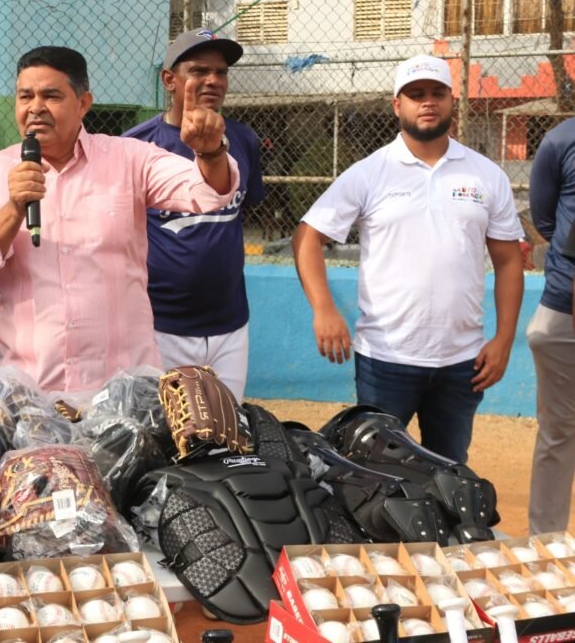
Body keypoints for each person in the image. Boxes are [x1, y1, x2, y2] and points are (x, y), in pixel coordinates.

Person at [0, 45, 239, 392]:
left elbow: (207, 193)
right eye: (25, 96)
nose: (35, 107)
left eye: (51, 95)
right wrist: (12, 210)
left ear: (83, 103)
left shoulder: (129, 159)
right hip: (34, 394)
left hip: (125, 392)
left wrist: (210, 152)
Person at [292, 54, 524, 464]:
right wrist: (323, 309)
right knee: (377, 475)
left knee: (450, 471)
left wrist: (504, 339)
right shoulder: (370, 172)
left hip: (461, 363)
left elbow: (508, 261)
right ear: (397, 104)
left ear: (453, 100)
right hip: (386, 358)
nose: (427, 102)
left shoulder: (486, 175)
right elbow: (308, 237)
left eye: (437, 93)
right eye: (415, 95)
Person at [123, 28, 264, 403]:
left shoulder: (243, 139)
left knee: (225, 435)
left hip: (230, 324)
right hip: (160, 326)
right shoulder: (135, 146)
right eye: (199, 70)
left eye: (221, 72)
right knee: (162, 438)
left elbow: (240, 213)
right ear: (170, 79)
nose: (213, 80)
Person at [527, 116, 575, 534]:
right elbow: (547, 222)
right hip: (565, 306)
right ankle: (547, 545)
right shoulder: (561, 139)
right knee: (560, 430)